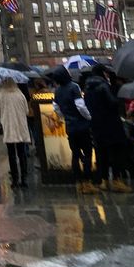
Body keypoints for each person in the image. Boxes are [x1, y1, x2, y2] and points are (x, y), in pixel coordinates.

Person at [83, 65, 131, 192]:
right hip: (111, 124)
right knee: (116, 152)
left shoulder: (87, 88)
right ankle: (116, 180)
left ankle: (102, 181)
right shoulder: (103, 85)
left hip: (96, 124)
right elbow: (112, 102)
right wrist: (118, 100)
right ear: (102, 73)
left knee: (101, 153)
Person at [51, 65, 97, 194]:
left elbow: (56, 108)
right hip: (81, 126)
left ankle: (78, 183)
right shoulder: (74, 87)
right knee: (88, 153)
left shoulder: (57, 90)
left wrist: (64, 117)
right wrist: (89, 117)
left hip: (70, 127)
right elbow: (80, 106)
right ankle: (87, 182)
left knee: (75, 154)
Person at [0, 78, 31, 189]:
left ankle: (15, 180)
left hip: (9, 127)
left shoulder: (0, 93)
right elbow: (27, 111)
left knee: (11, 155)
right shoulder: (20, 94)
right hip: (20, 127)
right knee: (22, 153)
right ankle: (24, 180)